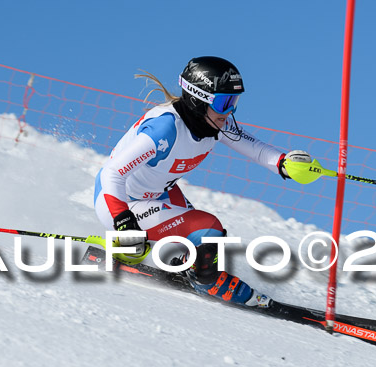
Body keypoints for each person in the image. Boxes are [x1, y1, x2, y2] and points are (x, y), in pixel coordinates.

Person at [94, 56, 313, 307]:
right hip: (120, 200)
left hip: (158, 193)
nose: (229, 112)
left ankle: (185, 267)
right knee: (208, 228)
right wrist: (124, 221)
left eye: (234, 102)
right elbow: (111, 173)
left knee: (199, 241)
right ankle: (205, 280)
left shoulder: (214, 123)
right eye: (224, 103)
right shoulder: (165, 130)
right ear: (199, 100)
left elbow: (257, 150)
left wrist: (284, 163)